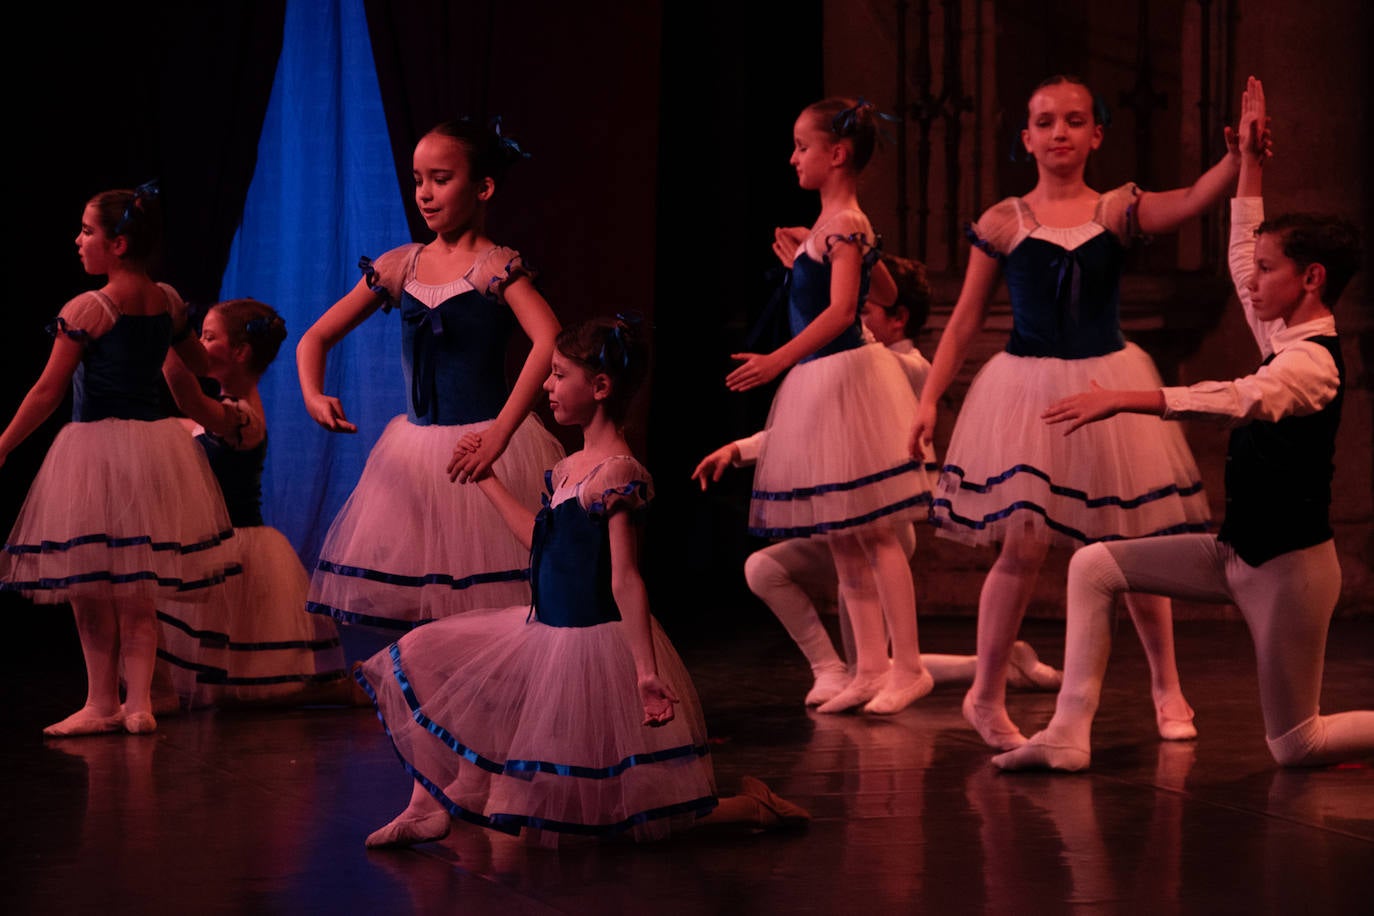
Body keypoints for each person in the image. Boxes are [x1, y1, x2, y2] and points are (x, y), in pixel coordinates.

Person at [994, 77, 1374, 772]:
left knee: (1297, 745)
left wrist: (1128, 399)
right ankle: (1066, 733)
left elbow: (1237, 398)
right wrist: (1251, 160)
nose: (1250, 283)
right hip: (1233, 557)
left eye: (1267, 271)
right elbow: (1239, 249)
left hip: (1289, 574)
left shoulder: (1311, 365)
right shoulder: (1282, 330)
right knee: (1094, 565)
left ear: (1311, 278)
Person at [356, 317, 810, 849]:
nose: (546, 386)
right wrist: (487, 482)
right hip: (542, 632)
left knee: (620, 811)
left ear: (599, 388)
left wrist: (645, 671)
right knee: (431, 661)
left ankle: (749, 807)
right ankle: (426, 807)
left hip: (591, 645)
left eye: (557, 374)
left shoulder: (619, 473)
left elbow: (626, 579)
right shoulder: (568, 466)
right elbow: (540, 540)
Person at [909, 75, 1245, 750]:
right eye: (1045, 121)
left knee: (1133, 545)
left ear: (1096, 134)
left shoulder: (1119, 209)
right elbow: (966, 319)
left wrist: (1238, 162)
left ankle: (1165, 685)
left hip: (1109, 383)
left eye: (1073, 120)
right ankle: (985, 692)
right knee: (1022, 546)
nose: (1059, 132)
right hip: (1027, 394)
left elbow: (1190, 203)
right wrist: (925, 400)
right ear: (1026, 137)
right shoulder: (1004, 221)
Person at [695, 252, 1062, 706]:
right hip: (848, 530)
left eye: (862, 312)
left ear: (896, 318)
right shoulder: (857, 371)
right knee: (774, 578)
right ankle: (838, 670)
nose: (854, 324)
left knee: (878, 664)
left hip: (881, 527)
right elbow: (806, 434)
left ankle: (994, 661)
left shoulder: (905, 368)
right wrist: (739, 450)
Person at [296, 116, 565, 631]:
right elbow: (316, 337)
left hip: (483, 445)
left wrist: (499, 434)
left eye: (441, 179)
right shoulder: (402, 265)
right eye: (418, 180)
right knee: (430, 607)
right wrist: (312, 393)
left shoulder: (495, 267)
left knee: (492, 606)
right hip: (417, 456)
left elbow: (549, 341)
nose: (425, 193)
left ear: (482, 187)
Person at [0, 182, 239, 736]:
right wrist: (232, 365)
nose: (78, 241)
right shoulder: (167, 301)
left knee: (90, 583)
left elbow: (47, 391)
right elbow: (201, 363)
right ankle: (139, 706)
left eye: (88, 231)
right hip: (152, 450)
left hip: (94, 451)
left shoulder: (90, 307)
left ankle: (102, 701)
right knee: (137, 584)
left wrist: (6, 441)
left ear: (120, 244)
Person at [724, 98, 935, 716]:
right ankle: (868, 667)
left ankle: (910, 666)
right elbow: (886, 287)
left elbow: (845, 313)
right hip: (827, 381)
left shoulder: (844, 220)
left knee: (872, 531)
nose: (793, 157)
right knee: (843, 534)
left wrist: (775, 360)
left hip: (843, 377)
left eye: (801, 146)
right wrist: (809, 258)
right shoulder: (835, 227)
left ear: (836, 154)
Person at [156, 298, 356, 707]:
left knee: (276, 679)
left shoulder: (242, 417)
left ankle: (346, 687)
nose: (199, 343)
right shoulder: (219, 415)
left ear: (240, 353)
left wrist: (164, 334)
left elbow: (188, 400)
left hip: (239, 547)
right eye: (197, 335)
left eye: (208, 337)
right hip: (215, 546)